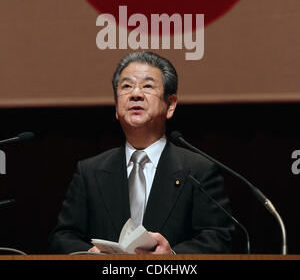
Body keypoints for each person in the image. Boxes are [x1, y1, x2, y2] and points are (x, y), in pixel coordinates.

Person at [48, 51, 234, 254]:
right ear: (116, 107)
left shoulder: (198, 171)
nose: (135, 93)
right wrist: (88, 255)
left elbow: (219, 238)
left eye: (147, 86)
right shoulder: (89, 171)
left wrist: (173, 256)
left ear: (170, 105)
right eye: (126, 86)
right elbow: (62, 238)